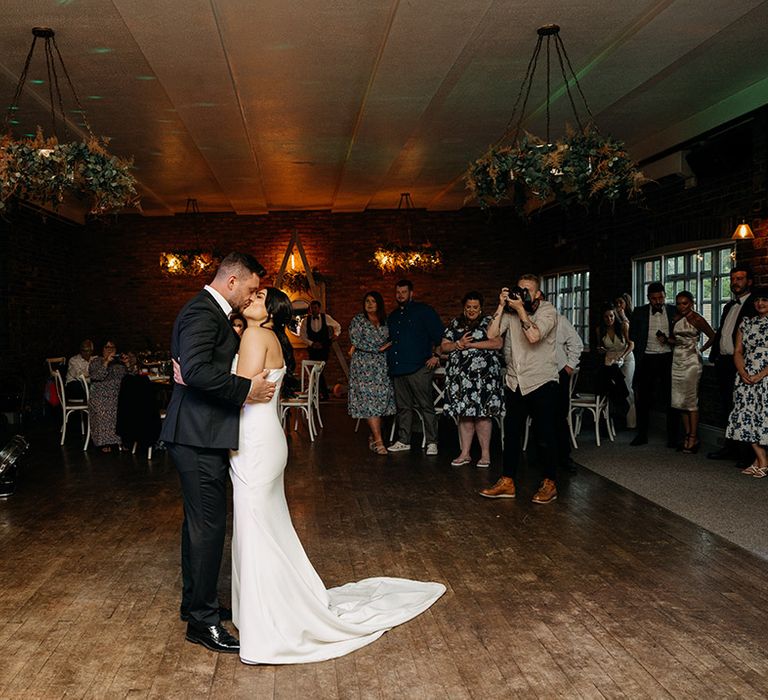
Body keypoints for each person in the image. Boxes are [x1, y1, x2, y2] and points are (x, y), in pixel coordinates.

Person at [230, 287, 445, 664]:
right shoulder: (269, 337)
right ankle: (266, 608)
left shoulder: (253, 335)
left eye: (260, 297)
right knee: (265, 527)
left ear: (270, 313)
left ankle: (267, 619)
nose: (250, 298)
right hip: (266, 439)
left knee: (255, 528)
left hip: (254, 442)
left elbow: (239, 393)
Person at [160, 252, 274, 655]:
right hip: (196, 436)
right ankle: (203, 623)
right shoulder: (203, 312)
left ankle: (195, 604)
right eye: (251, 288)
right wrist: (245, 390)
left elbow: (192, 370)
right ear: (231, 281)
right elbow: (193, 370)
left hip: (198, 433)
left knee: (200, 526)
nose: (252, 295)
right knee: (208, 527)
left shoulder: (210, 312)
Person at [480, 275, 559, 504]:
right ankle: (507, 481)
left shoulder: (548, 311)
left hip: (541, 381)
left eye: (527, 290)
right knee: (511, 435)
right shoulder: (511, 311)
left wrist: (520, 310)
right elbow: (491, 335)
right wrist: (502, 305)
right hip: (515, 381)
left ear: (537, 294)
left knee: (544, 435)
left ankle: (550, 483)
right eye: (519, 289)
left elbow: (533, 336)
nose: (522, 293)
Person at [440, 291, 503, 468]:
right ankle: (465, 453)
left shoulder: (489, 322)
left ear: (481, 307)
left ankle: (485, 454)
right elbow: (443, 347)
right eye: (468, 307)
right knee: (465, 415)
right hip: (461, 379)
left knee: (483, 416)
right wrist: (457, 344)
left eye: (475, 307)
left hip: (484, 379)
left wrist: (471, 344)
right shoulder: (455, 323)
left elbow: (498, 343)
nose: (471, 310)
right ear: (464, 307)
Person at [386, 280, 444, 455]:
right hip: (397, 368)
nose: (400, 295)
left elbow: (440, 336)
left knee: (426, 405)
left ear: (411, 293)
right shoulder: (393, 316)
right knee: (403, 407)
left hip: (419, 367)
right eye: (398, 292)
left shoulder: (424, 311)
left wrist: (436, 356)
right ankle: (404, 440)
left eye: (404, 292)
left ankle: (432, 442)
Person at [707, 265, 756, 465]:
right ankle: (730, 447)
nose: (735, 282)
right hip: (724, 362)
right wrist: (715, 354)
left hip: (742, 364)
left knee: (744, 408)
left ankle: (747, 454)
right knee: (727, 406)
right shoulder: (729, 306)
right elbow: (722, 332)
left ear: (749, 282)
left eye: (740, 279)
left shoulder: (754, 305)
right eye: (733, 278)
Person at [726, 287, 768, 477]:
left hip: (765, 375)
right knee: (746, 415)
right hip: (746, 374)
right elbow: (737, 351)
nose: (760, 303)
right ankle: (759, 458)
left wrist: (760, 375)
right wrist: (743, 372)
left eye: (765, 300)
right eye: (757, 300)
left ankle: (761, 460)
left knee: (762, 415)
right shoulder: (746, 323)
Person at [629, 282, 677, 447]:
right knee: (643, 398)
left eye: (661, 297)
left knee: (670, 398)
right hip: (647, 358)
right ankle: (642, 435)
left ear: (665, 296)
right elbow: (632, 334)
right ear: (648, 298)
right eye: (654, 298)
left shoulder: (673, 310)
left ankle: (673, 437)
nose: (658, 301)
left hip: (667, 358)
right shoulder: (639, 312)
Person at [347, 291, 396, 455]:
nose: (369, 304)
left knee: (381, 404)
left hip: (381, 366)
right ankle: (379, 441)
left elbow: (394, 338)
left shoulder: (386, 321)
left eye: (373, 301)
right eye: (367, 301)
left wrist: (389, 346)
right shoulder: (358, 320)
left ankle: (373, 436)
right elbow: (356, 341)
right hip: (363, 366)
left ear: (379, 304)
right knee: (370, 404)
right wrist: (379, 348)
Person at [669, 291, 715, 453]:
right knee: (680, 401)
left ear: (692, 303)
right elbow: (676, 340)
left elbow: (713, 336)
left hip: (692, 362)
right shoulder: (676, 318)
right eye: (679, 303)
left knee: (690, 401)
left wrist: (700, 349)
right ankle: (688, 434)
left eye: (685, 303)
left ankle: (693, 438)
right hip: (677, 360)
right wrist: (668, 341)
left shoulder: (697, 318)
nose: (681, 306)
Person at [596, 305, 635, 429]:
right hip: (610, 359)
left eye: (611, 316)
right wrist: (601, 350)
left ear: (615, 316)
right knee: (611, 389)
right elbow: (600, 346)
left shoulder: (623, 326)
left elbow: (631, 344)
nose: (609, 319)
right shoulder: (599, 329)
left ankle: (631, 422)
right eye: (606, 317)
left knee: (627, 388)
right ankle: (612, 420)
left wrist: (623, 356)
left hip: (626, 357)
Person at [554, 311, 583, 472]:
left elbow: (577, 343)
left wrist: (569, 367)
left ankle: (564, 457)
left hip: (559, 373)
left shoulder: (560, 321)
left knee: (560, 417)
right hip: (536, 375)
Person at [88, 340, 126, 453]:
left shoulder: (120, 363)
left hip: (119, 393)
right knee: (104, 406)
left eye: (112, 347)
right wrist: (106, 362)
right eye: (107, 347)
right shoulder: (96, 361)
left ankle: (125, 440)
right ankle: (105, 442)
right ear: (102, 349)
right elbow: (96, 376)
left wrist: (128, 364)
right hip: (101, 394)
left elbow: (131, 376)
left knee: (130, 403)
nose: (110, 350)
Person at [299, 300, 341, 400]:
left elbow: (337, 326)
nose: (313, 310)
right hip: (313, 350)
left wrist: (336, 335)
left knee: (319, 370)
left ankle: (320, 393)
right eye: (312, 308)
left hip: (324, 348)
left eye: (315, 308)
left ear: (319, 308)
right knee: (316, 371)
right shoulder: (305, 321)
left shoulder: (325, 317)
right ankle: (322, 394)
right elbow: (302, 336)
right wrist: (312, 343)